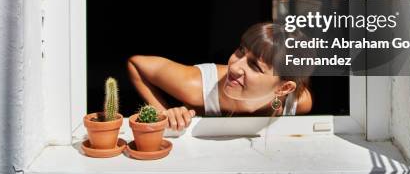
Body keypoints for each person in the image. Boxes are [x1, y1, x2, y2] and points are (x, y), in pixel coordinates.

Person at [127, 22, 313, 131]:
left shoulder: (299, 102)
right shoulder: (197, 87)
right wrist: (162, 115)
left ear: (284, 88)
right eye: (241, 51)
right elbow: (137, 64)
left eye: (255, 66)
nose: (235, 66)